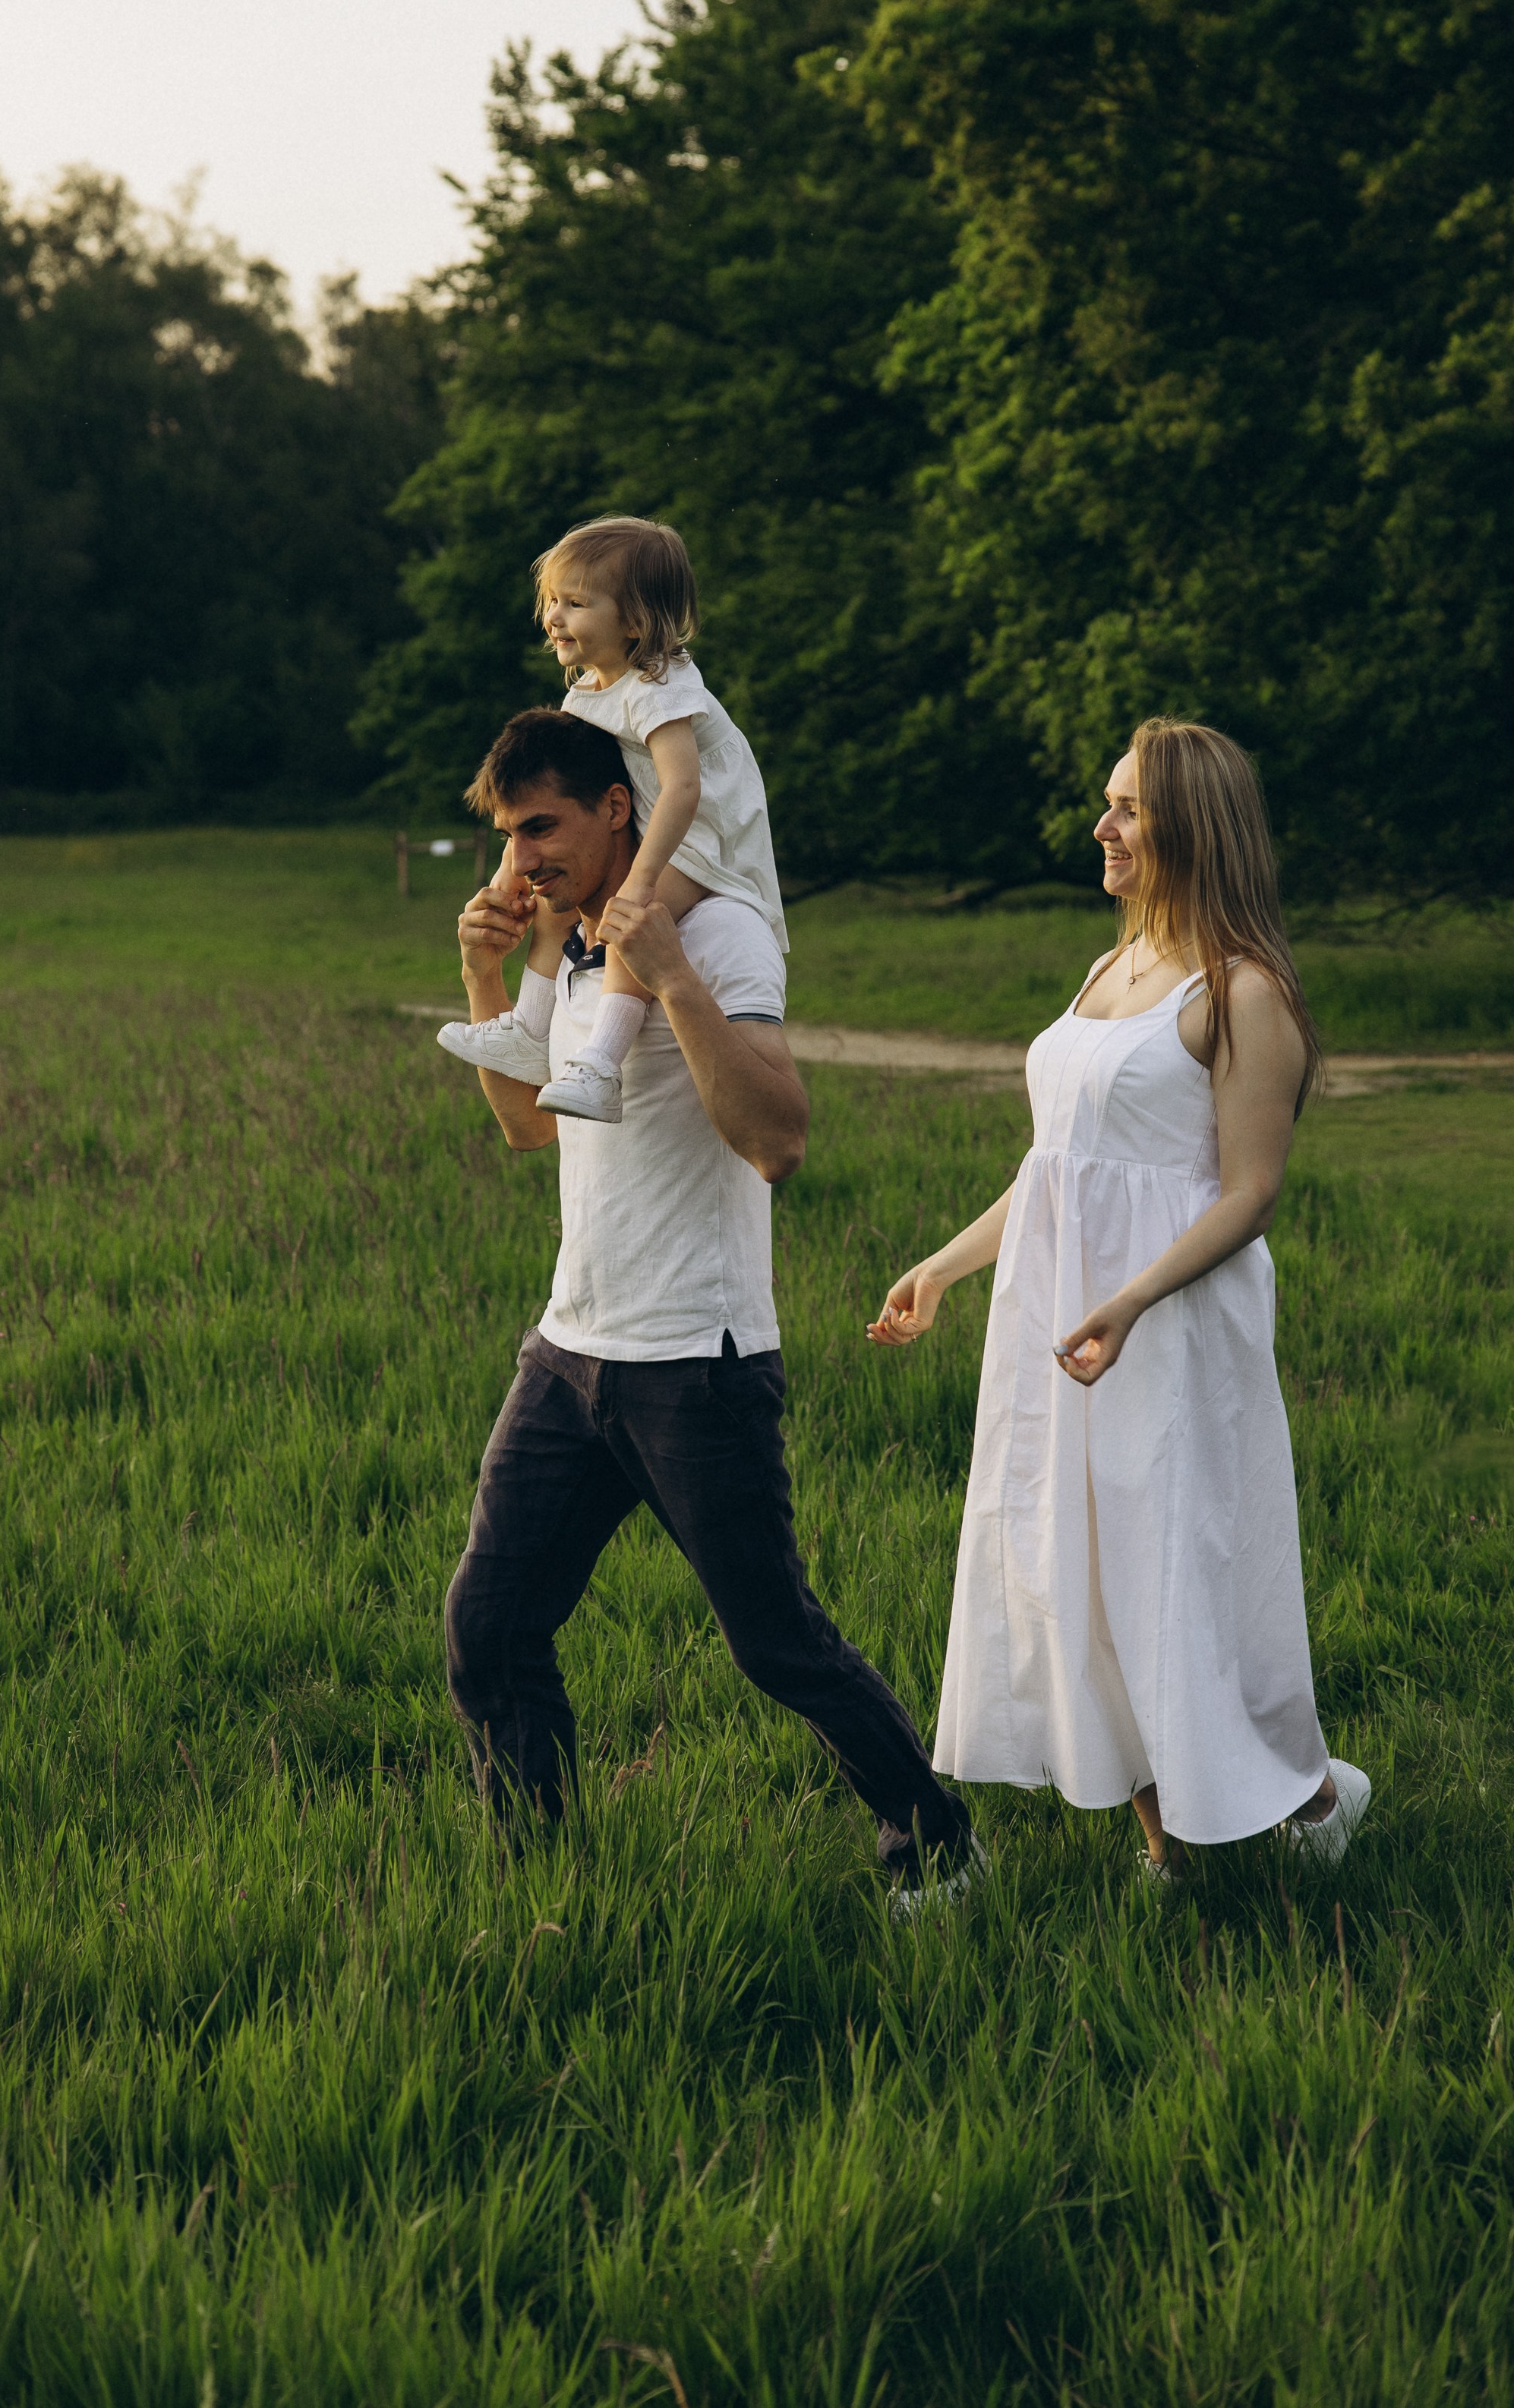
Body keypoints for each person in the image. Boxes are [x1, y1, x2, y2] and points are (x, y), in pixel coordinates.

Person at [443, 705, 979, 1908]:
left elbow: (777, 1142)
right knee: (488, 1624)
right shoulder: (571, 946)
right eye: (508, 837)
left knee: (776, 1644)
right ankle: (538, 1875)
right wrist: (486, 973)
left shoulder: (716, 929)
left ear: (618, 809)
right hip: (571, 1351)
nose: (522, 859)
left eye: (544, 828)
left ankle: (935, 1845)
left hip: (699, 1360)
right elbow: (527, 1125)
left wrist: (671, 972)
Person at [868, 718, 1370, 1881]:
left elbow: (1248, 1194)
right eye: (1108, 804)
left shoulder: (1244, 992)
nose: (1102, 827)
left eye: (1129, 809)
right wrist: (947, 1267)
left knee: (1169, 1575)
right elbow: (1057, 1174)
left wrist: (1133, 1299)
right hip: (1062, 1331)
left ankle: (1304, 1801)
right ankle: (1171, 1850)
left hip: (1173, 1331)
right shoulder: (1107, 968)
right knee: (1073, 1573)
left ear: (1194, 826)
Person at [437, 515, 784, 1126]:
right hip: (666, 830)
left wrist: (642, 879)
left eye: (575, 603)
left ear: (633, 621)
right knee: (554, 905)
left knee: (627, 920)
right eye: (551, 602)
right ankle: (527, 1027)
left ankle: (600, 1064)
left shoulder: (661, 685)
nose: (554, 617)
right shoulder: (585, 696)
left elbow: (682, 788)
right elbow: (542, 815)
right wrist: (504, 885)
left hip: (705, 841)